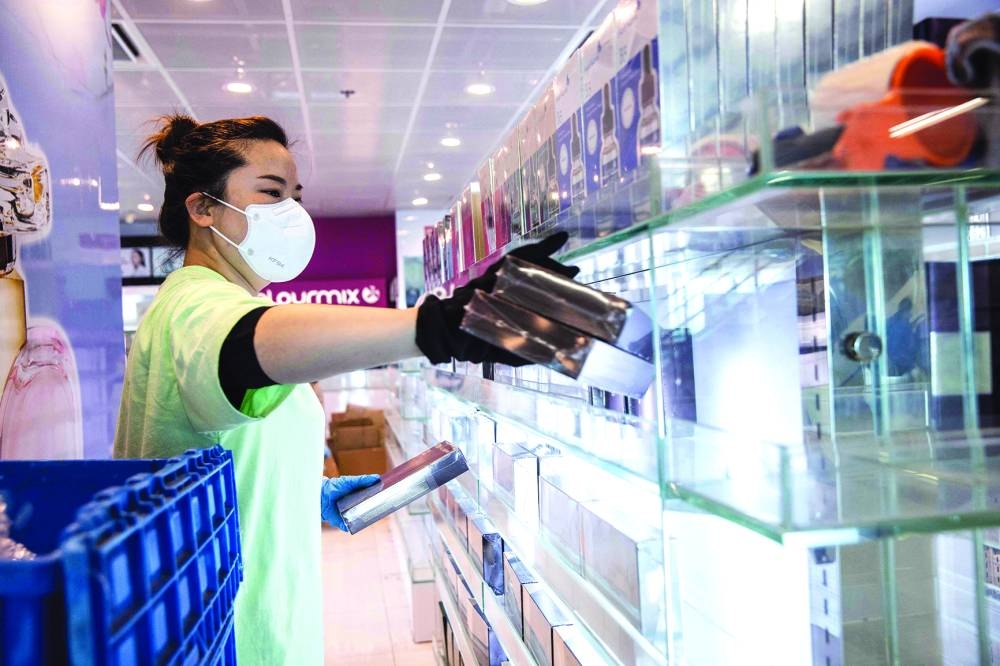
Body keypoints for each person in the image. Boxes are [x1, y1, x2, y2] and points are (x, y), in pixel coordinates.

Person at [113, 114, 578, 665]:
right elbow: (245, 347)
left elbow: (222, 451)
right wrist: (436, 326)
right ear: (203, 208)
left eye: (295, 197)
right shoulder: (195, 304)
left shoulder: (217, 303)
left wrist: (305, 495)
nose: (291, 213)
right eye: (270, 193)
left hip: (265, 627)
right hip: (228, 640)